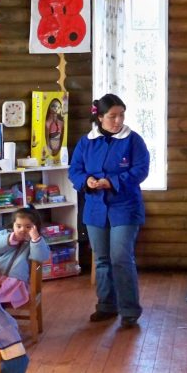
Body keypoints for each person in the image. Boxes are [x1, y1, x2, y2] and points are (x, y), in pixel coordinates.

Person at [68, 93, 150, 327]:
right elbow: (75, 170)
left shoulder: (133, 140)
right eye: (112, 116)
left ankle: (129, 311)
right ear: (100, 118)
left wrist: (112, 181)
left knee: (121, 258)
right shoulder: (87, 142)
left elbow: (140, 170)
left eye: (121, 115)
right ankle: (106, 306)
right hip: (95, 209)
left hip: (125, 208)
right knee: (102, 259)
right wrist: (87, 181)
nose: (118, 120)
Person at [0, 206, 51, 308]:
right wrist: (11, 239)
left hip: (16, 283)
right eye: (18, 226)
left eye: (28, 227)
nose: (22, 230)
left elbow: (42, 257)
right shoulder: (5, 234)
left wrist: (35, 239)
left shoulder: (37, 241)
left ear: (35, 227)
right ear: (13, 225)